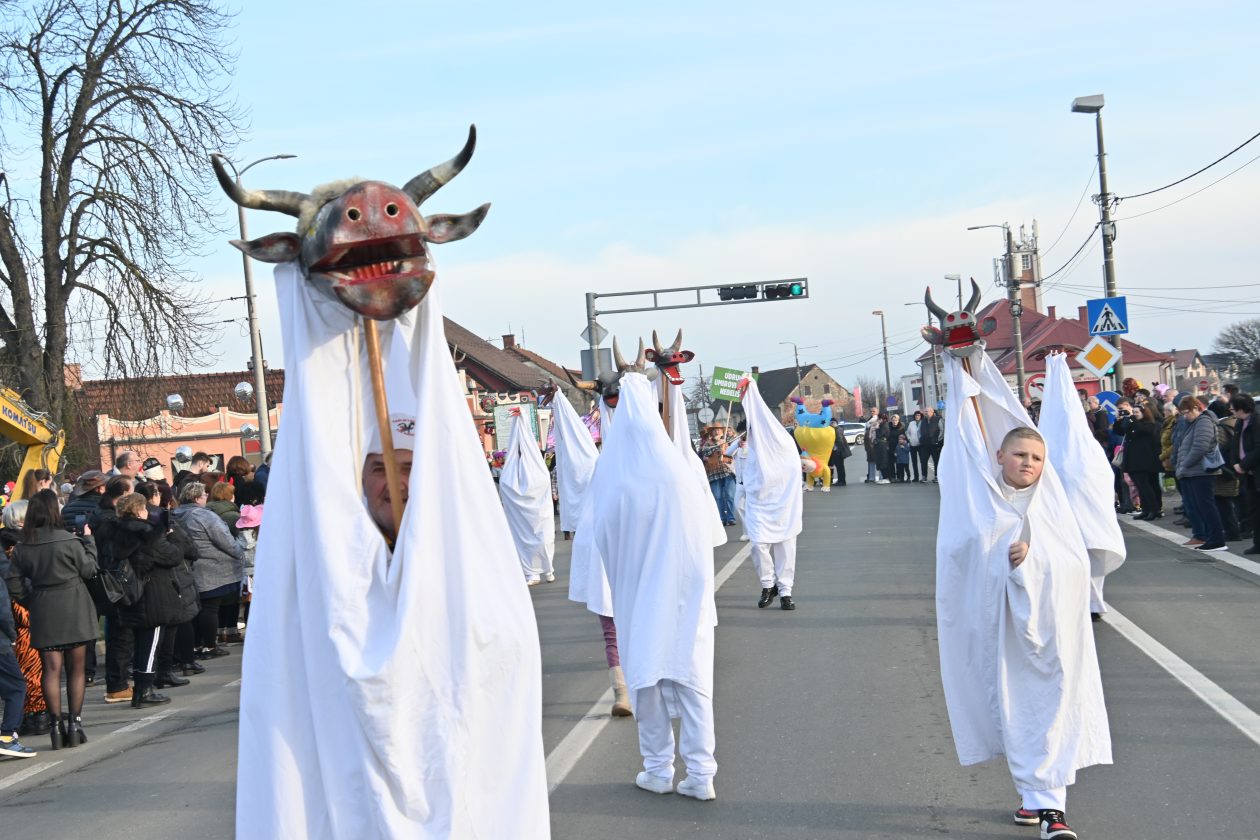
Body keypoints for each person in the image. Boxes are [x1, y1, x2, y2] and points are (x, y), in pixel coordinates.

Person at [937, 355, 1110, 840]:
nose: (1028, 464)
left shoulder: (1052, 509)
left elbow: (1074, 563)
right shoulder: (979, 498)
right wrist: (964, 362)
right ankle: (1033, 798)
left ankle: (1052, 808)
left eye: (1036, 458)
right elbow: (962, 545)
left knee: (1048, 701)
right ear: (999, 456)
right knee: (1011, 708)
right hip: (997, 623)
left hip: (1048, 626)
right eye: (1018, 455)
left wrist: (1034, 558)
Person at [592, 371, 723, 801]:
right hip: (686, 590)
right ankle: (701, 774)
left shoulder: (615, 477)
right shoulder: (679, 473)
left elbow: (603, 537)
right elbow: (703, 529)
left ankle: (657, 768)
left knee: (645, 677)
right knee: (692, 677)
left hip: (639, 592)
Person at [12, 490, 98, 750]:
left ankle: (55, 727)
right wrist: (90, 542)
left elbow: (13, 583)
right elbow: (90, 570)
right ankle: (74, 724)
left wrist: (32, 601)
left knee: (51, 670)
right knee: (77, 669)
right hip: (74, 604)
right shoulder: (68, 541)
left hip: (43, 606)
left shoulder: (23, 546)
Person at [109, 492, 187, 708]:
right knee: (150, 644)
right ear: (137, 511)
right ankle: (144, 690)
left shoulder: (116, 531)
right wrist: (172, 536)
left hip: (130, 594)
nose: (147, 512)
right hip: (152, 594)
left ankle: (141, 689)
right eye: (143, 508)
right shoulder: (146, 534)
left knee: (140, 644)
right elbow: (173, 556)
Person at [740, 376, 803, 611]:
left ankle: (786, 591)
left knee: (786, 549)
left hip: (784, 505)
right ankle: (768, 585)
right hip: (760, 505)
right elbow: (751, 478)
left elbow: (793, 470)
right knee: (758, 546)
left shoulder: (784, 446)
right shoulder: (753, 451)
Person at [171, 481, 244, 658]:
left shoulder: (176, 514)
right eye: (204, 495)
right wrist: (239, 551)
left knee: (196, 609)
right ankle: (210, 646)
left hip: (189, 567)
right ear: (197, 498)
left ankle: (196, 645)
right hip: (213, 567)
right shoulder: (204, 516)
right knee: (210, 608)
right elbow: (224, 540)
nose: (207, 498)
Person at [3, 501, 49, 739]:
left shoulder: (14, 545)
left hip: (23, 613)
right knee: (31, 667)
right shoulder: (16, 548)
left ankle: (35, 714)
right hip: (23, 614)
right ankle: (37, 715)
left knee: (32, 667)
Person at [1175, 396, 1228, 551]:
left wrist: (1184, 465)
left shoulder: (1203, 422)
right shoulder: (1193, 423)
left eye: (1187, 412)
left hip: (1201, 472)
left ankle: (1217, 540)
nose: (1185, 416)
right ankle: (1212, 538)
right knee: (1201, 506)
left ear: (1196, 408)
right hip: (1193, 471)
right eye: (1183, 413)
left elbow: (1200, 447)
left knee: (1206, 505)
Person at [1114, 403, 1163, 521]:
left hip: (1144, 461)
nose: (1135, 415)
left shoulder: (1150, 425)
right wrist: (1119, 420)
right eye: (1133, 412)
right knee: (1140, 487)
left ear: (1144, 413)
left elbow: (1141, 429)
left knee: (1146, 486)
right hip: (1133, 460)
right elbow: (1120, 431)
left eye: (1137, 412)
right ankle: (1146, 510)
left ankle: (1154, 509)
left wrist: (1131, 417)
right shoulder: (1132, 424)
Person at [1230, 394, 1260, 554]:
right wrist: (1235, 462)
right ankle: (1258, 543)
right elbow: (1235, 444)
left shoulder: (1256, 422)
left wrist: (1243, 464)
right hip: (1246, 473)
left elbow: (1258, 448)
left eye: (1234, 408)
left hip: (1255, 470)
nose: (1232, 411)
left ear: (1241, 408)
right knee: (1253, 509)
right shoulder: (1239, 423)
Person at [698, 426, 738, 524]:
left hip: (727, 470)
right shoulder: (707, 443)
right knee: (718, 496)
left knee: (730, 495)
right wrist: (717, 444)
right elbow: (705, 452)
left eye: (718, 430)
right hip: (714, 473)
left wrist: (726, 449)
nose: (717, 432)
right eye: (715, 430)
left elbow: (733, 452)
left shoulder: (727, 441)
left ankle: (731, 517)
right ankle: (722, 518)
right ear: (711, 433)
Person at [921, 406, 943, 482]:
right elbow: (919, 431)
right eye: (925, 411)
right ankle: (924, 477)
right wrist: (921, 439)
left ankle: (937, 476)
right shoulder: (923, 420)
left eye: (927, 411)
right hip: (924, 444)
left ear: (932, 412)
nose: (925, 413)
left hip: (935, 444)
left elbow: (942, 430)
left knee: (936, 461)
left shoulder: (938, 419)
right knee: (923, 461)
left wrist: (937, 440)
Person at [906, 411, 923, 482]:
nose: (917, 416)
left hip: (921, 445)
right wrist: (909, 439)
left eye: (918, 415)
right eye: (916, 415)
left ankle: (923, 476)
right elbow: (907, 432)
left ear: (921, 416)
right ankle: (916, 477)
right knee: (914, 462)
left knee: (923, 461)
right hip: (912, 445)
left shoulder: (923, 422)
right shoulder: (911, 423)